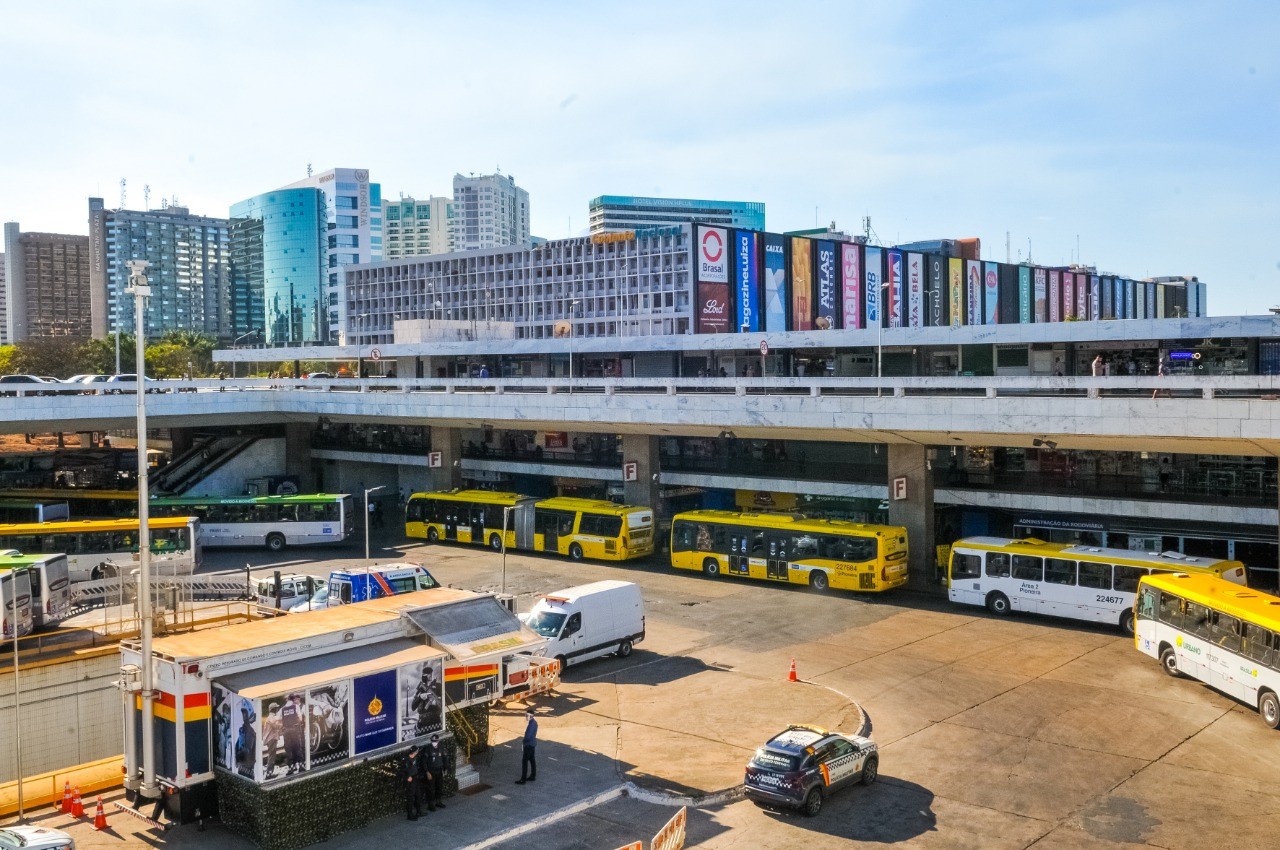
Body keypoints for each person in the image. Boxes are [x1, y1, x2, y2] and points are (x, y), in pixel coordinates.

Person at [398, 745, 427, 820]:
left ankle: (418, 811)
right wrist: (407, 777)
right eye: (417, 751)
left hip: (416, 778)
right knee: (410, 798)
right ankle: (410, 815)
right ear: (414, 752)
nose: (417, 752)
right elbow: (401, 772)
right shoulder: (406, 760)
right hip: (410, 781)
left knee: (418, 795)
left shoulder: (415, 757)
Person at [281, 692, 305, 775]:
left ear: (287, 699)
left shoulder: (283, 709)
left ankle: (291, 769)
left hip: (286, 731)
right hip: (294, 729)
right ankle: (301, 767)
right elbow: (300, 719)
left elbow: (279, 719)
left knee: (289, 750)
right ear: (293, 699)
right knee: (298, 748)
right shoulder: (296, 706)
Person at [424, 733, 447, 811]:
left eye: (436, 741)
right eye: (433, 741)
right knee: (431, 789)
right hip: (431, 772)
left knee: (439, 787)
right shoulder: (428, 749)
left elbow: (444, 758)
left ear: (438, 740)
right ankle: (431, 804)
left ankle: (438, 801)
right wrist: (427, 772)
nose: (434, 742)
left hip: (439, 771)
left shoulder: (441, 747)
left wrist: (445, 769)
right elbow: (424, 762)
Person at [516, 709, 538, 784]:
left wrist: (524, 741)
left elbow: (528, 736)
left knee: (524, 762)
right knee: (532, 760)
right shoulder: (534, 723)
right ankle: (533, 775)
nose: (526, 717)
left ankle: (523, 779)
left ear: (531, 716)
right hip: (532, 744)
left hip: (528, 745)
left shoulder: (531, 725)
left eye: (527, 715)